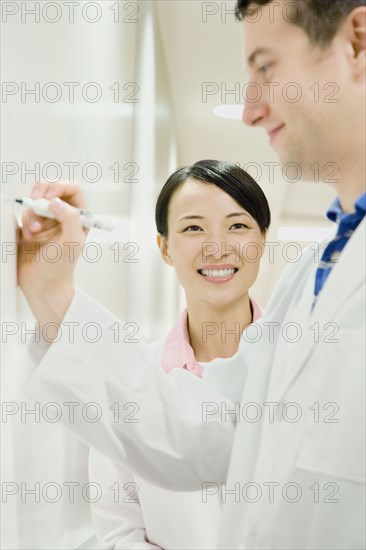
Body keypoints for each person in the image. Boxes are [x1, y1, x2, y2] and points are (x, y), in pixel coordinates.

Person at [19, 1, 365, 548]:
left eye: (266, 68)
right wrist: (50, 292)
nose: (251, 110)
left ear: (357, 41)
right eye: (193, 229)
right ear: (164, 247)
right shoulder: (314, 280)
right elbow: (197, 434)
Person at [88, 160, 270, 550]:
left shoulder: (308, 366)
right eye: (193, 227)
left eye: (237, 225)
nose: (217, 247)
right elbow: (118, 529)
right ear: (165, 248)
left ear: (262, 241)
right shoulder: (129, 382)